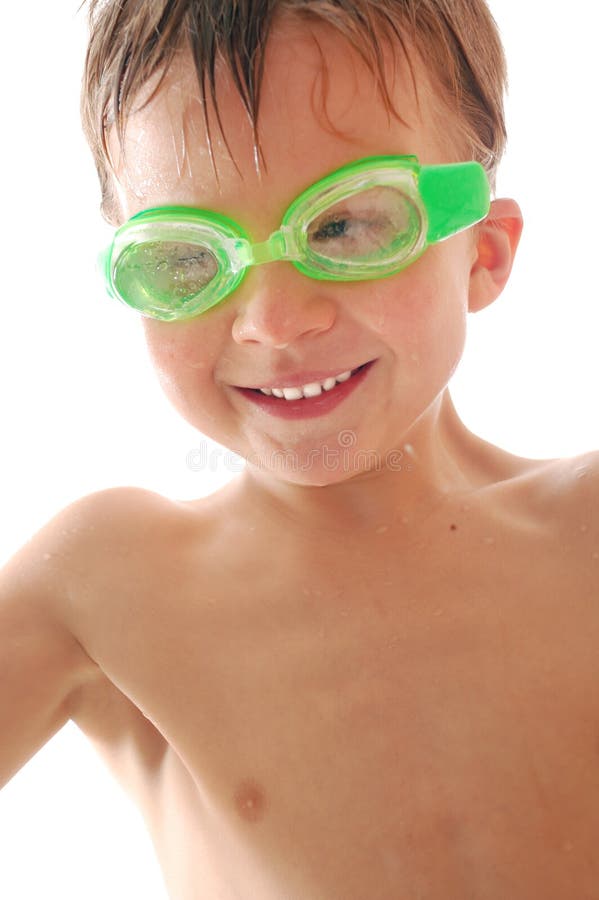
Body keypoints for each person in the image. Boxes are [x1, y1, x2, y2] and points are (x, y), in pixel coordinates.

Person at [1, 1, 598, 897]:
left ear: (482, 249)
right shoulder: (107, 587)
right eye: (188, 261)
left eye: (346, 225)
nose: (275, 323)